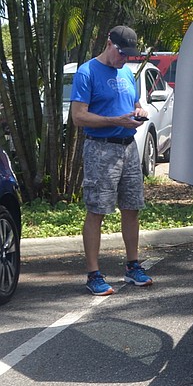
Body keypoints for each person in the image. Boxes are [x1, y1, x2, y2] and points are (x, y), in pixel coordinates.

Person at [69, 26, 153, 295]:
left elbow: (134, 102)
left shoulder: (126, 72)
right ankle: (93, 273)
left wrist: (138, 111)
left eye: (129, 55)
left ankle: (132, 266)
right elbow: (78, 116)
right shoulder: (87, 72)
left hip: (128, 148)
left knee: (132, 207)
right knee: (97, 210)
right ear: (109, 44)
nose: (124, 59)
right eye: (121, 53)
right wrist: (113, 121)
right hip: (100, 149)